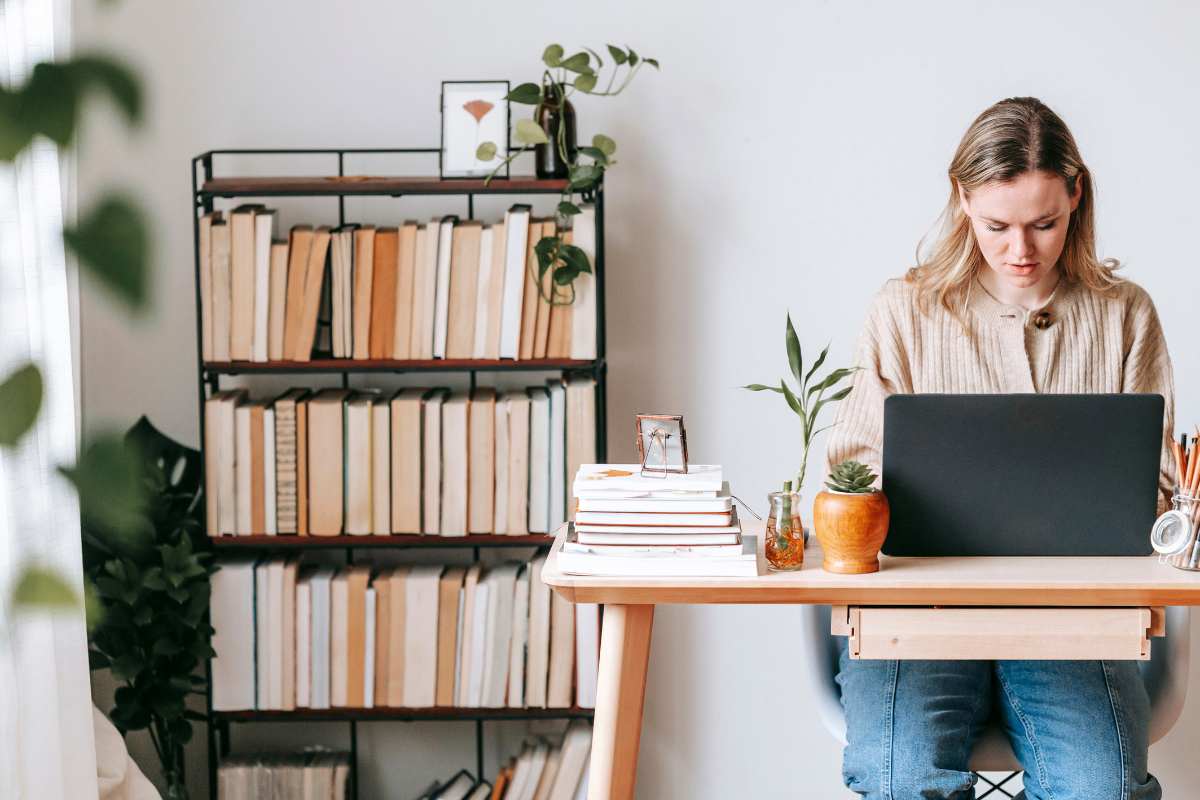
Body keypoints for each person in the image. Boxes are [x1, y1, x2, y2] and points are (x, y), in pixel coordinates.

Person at [823, 96, 1175, 799]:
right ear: (961, 200)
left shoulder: (1123, 312)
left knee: (1100, 788)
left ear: (1076, 195)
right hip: (916, 622)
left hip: (1074, 626)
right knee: (900, 780)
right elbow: (849, 472)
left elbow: (1159, 492)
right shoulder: (905, 309)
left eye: (1044, 223)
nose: (1022, 251)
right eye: (997, 226)